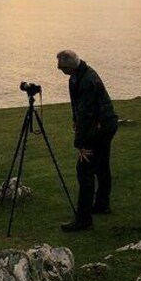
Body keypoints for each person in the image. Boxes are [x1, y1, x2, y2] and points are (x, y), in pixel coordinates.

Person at [56, 50, 118, 232]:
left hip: (102, 127)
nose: (61, 71)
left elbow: (86, 114)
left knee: (84, 169)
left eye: (62, 69)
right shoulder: (78, 76)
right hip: (105, 125)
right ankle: (101, 205)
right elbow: (77, 106)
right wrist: (74, 118)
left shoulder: (87, 81)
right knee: (101, 165)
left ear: (69, 67)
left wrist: (80, 144)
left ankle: (84, 219)